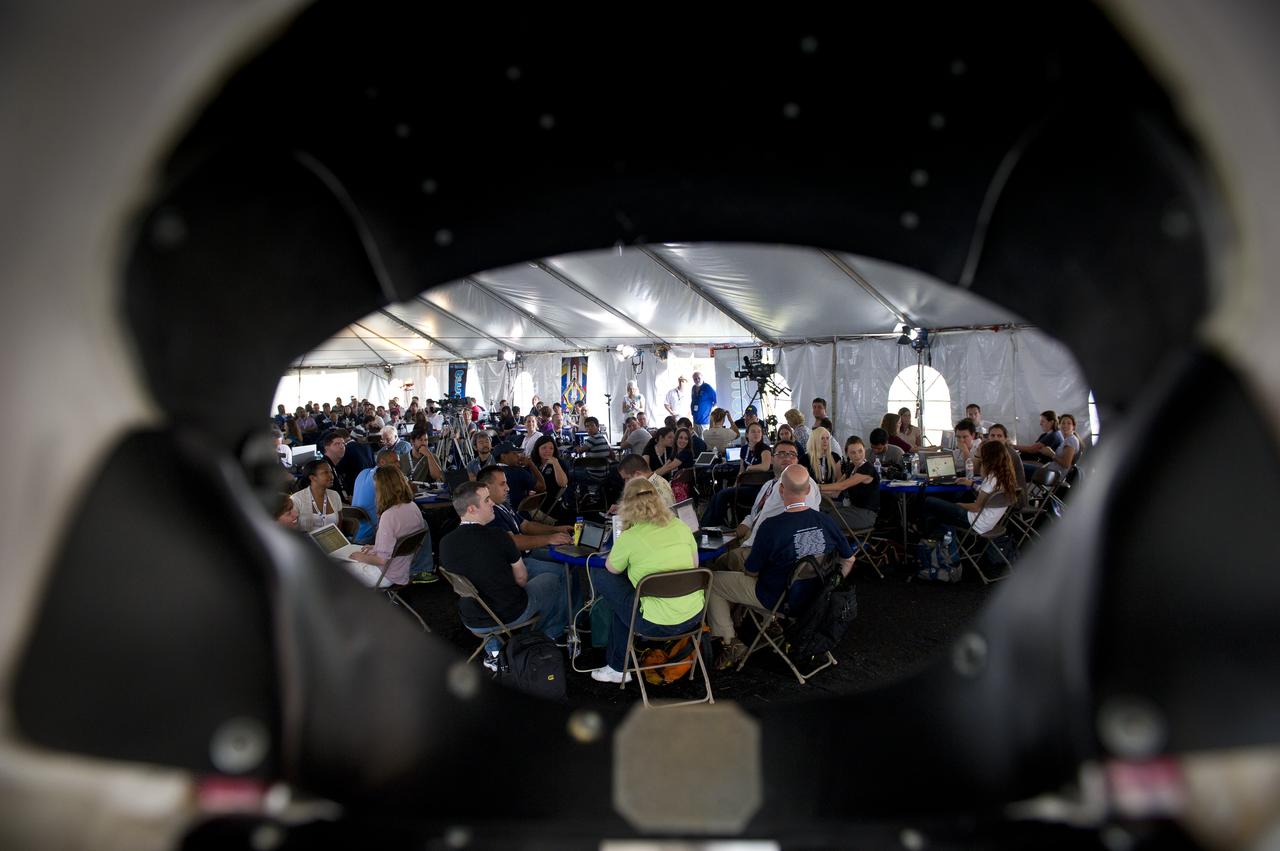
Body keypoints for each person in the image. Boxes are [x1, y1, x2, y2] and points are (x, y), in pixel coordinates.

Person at [709, 464, 855, 669]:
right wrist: (830, 585)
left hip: (777, 599)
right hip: (817, 597)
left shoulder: (771, 527)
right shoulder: (826, 521)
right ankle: (767, 624)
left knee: (713, 581)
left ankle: (730, 642)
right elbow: (849, 559)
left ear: (780, 490)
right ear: (808, 490)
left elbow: (752, 571)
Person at [589, 476, 704, 684]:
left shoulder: (630, 537)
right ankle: (616, 666)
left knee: (603, 577)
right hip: (693, 617)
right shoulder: (680, 526)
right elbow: (694, 566)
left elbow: (611, 568)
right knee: (624, 606)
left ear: (627, 504)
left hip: (653, 624)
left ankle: (617, 668)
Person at [438, 481, 567, 642]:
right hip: (509, 614)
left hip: (471, 618)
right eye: (486, 500)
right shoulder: (499, 537)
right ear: (471, 509)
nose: (492, 502)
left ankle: (494, 649)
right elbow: (521, 580)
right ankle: (550, 635)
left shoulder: (445, 543)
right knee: (554, 578)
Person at [476, 466, 573, 590]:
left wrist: (556, 530)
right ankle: (562, 607)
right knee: (561, 573)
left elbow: (526, 525)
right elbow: (513, 542)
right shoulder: (490, 513)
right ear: (486, 488)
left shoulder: (502, 504)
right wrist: (549, 539)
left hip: (526, 553)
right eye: (502, 484)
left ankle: (575, 606)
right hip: (515, 564)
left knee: (570, 559)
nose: (508, 488)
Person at [346, 465, 427, 587]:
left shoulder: (389, 516)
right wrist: (375, 547)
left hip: (384, 574)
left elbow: (382, 560)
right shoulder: (412, 507)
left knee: (336, 570)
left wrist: (360, 557)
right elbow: (397, 544)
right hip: (401, 570)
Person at [922, 439, 1018, 538]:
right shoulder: (1003, 477)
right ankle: (939, 537)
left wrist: (958, 505)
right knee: (944, 508)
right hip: (988, 523)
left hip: (975, 523)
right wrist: (972, 484)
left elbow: (976, 507)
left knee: (930, 501)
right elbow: (987, 494)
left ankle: (925, 536)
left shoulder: (990, 479)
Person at [698, 420, 773, 529]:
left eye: (759, 432)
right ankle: (706, 526)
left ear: (762, 434)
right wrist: (735, 485)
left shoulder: (765, 449)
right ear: (747, 434)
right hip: (743, 486)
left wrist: (750, 468)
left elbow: (765, 466)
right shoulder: (744, 449)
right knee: (717, 495)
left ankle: (714, 525)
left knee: (723, 495)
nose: (756, 434)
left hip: (759, 488)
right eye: (753, 432)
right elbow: (741, 470)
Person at [822, 435, 881, 530]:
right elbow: (835, 493)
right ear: (847, 454)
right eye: (853, 452)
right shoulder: (851, 467)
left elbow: (841, 486)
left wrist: (816, 487)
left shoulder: (867, 468)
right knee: (820, 510)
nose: (857, 455)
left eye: (860, 451)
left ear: (864, 450)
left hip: (865, 515)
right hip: (852, 509)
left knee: (824, 519)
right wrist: (815, 493)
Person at [351, 448, 400, 544]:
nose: (398, 465)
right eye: (395, 462)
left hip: (353, 532)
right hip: (371, 536)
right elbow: (399, 500)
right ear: (382, 462)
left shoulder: (363, 472)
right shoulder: (382, 478)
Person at [290, 458, 343, 532]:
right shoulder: (296, 499)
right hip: (306, 542)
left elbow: (339, 523)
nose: (331, 476)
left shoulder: (335, 495)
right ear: (312, 478)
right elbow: (290, 527)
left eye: (331, 472)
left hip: (331, 541)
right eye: (325, 472)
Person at [982, 423, 1027, 507]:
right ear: (988, 438)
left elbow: (986, 476)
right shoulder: (997, 452)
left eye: (999, 436)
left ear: (1005, 439)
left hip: (1013, 500)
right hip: (1003, 496)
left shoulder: (1007, 454)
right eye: (992, 435)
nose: (995, 438)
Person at [531, 434, 571, 521]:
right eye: (544, 448)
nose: (548, 451)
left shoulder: (559, 463)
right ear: (537, 449)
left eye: (551, 448)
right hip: (534, 500)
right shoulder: (534, 464)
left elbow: (563, 483)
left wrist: (555, 463)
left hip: (549, 505)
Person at [1013, 410, 1065, 477]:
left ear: (1051, 422)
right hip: (1041, 464)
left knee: (1013, 466)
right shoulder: (1052, 434)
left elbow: (1031, 449)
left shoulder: (1053, 436)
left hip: (1044, 467)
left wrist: (1012, 446)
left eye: (1043, 421)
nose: (1040, 424)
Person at [317, 429, 352, 503]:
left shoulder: (336, 465)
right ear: (326, 447)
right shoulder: (323, 468)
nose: (342, 446)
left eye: (343, 443)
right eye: (337, 444)